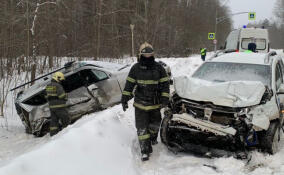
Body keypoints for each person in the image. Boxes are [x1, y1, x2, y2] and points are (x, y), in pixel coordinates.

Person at [121, 42, 170, 161]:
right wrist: (125, 98)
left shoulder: (159, 68)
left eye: (149, 54)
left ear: (152, 54)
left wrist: (165, 98)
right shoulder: (135, 68)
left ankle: (153, 138)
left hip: (155, 104)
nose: (147, 56)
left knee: (155, 125)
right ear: (140, 55)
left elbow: (165, 84)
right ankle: (145, 150)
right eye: (145, 54)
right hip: (140, 104)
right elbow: (129, 84)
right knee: (142, 128)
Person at [45, 71, 70, 136]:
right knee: (65, 119)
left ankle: (53, 135)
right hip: (60, 106)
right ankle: (68, 134)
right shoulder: (58, 85)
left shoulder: (48, 86)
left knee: (54, 122)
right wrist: (66, 95)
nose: (61, 81)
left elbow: (46, 96)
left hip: (52, 107)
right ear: (57, 78)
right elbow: (61, 96)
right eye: (60, 79)